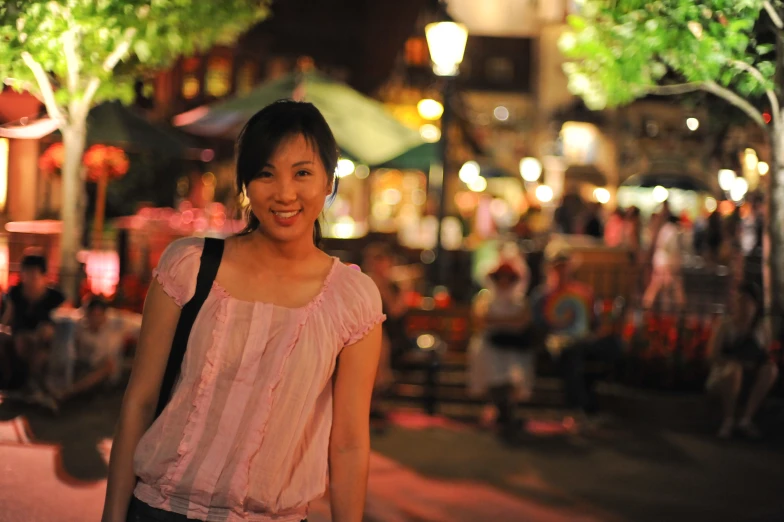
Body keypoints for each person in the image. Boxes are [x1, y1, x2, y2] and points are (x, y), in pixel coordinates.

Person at [103, 101, 385, 522]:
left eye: (303, 173)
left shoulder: (352, 299)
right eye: (265, 173)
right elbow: (139, 401)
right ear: (246, 184)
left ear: (329, 180)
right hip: (162, 509)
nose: (285, 193)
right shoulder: (189, 265)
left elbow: (347, 442)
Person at [530, 244, 622, 416]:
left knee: (613, 345)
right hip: (560, 344)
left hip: (584, 340)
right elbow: (538, 325)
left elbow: (594, 322)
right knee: (573, 354)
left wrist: (600, 328)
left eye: (564, 266)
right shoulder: (541, 295)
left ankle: (588, 399)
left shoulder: (584, 292)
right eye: (557, 266)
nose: (561, 271)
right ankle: (581, 407)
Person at [468, 254, 536, 442]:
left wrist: (498, 322)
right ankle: (504, 413)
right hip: (490, 345)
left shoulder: (520, 300)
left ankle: (506, 412)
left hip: (513, 347)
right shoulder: (485, 297)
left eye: (508, 276)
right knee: (492, 368)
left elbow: (523, 321)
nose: (504, 281)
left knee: (513, 373)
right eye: (500, 276)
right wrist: (507, 323)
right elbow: (480, 320)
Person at [706, 282, 778, 439]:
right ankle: (728, 420)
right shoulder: (725, 325)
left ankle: (746, 419)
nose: (743, 306)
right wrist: (732, 362)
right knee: (734, 370)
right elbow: (713, 355)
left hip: (750, 375)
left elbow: (765, 355)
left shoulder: (761, 329)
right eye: (740, 301)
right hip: (725, 374)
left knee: (771, 369)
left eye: (748, 302)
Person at [0, 253, 65, 401]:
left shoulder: (54, 297)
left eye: (34, 275)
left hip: (45, 340)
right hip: (20, 336)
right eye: (26, 274)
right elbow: (8, 317)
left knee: (40, 345)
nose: (29, 279)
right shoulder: (15, 293)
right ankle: (28, 387)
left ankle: (35, 387)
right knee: (21, 342)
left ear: (43, 276)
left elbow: (60, 321)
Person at [52, 296, 141, 404]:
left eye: (98, 315)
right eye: (92, 315)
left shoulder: (117, 324)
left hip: (107, 371)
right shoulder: (80, 324)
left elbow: (141, 324)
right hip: (83, 365)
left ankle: (67, 394)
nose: (95, 319)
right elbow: (58, 316)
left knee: (108, 365)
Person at [362, 242, 408, 425]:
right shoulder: (364, 282)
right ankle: (369, 406)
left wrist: (399, 289)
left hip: (389, 332)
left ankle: (375, 404)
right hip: (367, 331)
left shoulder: (392, 286)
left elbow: (396, 311)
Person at [642, 213, 685, 311]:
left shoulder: (664, 229)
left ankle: (651, 308)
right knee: (667, 286)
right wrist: (672, 263)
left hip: (660, 261)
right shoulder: (672, 230)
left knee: (662, 287)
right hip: (665, 262)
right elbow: (671, 248)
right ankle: (680, 311)